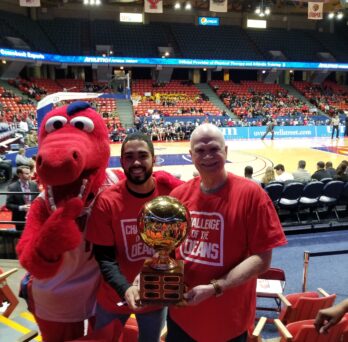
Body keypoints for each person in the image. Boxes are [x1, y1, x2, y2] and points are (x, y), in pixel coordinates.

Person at [166, 124, 287, 342]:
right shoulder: (178, 195)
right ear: (190, 155)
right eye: (200, 151)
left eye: (214, 149)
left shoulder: (252, 195)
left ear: (226, 151)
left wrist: (216, 287)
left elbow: (262, 259)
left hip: (228, 322)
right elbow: (168, 250)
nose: (208, 156)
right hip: (181, 317)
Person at [86, 132, 183, 341]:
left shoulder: (172, 194)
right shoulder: (107, 201)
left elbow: (178, 245)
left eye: (142, 155)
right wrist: (125, 288)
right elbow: (104, 257)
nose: (136, 162)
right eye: (129, 157)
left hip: (154, 295)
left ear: (154, 159)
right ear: (121, 161)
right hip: (114, 295)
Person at [6, 165, 39, 231]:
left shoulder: (34, 184)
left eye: (30, 173)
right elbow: (8, 205)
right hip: (19, 218)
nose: (30, 175)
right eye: (27, 173)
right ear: (20, 175)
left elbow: (37, 199)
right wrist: (21, 207)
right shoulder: (12, 187)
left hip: (33, 216)